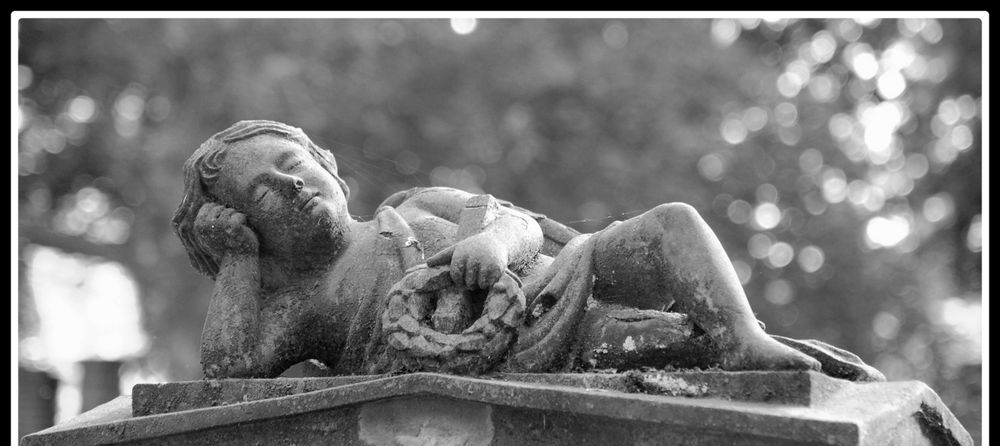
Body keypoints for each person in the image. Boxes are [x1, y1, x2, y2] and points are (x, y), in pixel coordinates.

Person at [172, 120, 851, 380]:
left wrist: (494, 243)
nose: (293, 187)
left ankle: (744, 333)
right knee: (667, 343)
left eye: (295, 164)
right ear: (247, 231)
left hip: (552, 287)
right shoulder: (300, 305)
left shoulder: (409, 209)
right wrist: (236, 263)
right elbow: (228, 369)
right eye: (264, 194)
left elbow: (516, 222)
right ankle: (733, 348)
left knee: (671, 224)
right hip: (516, 355)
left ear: (328, 162)